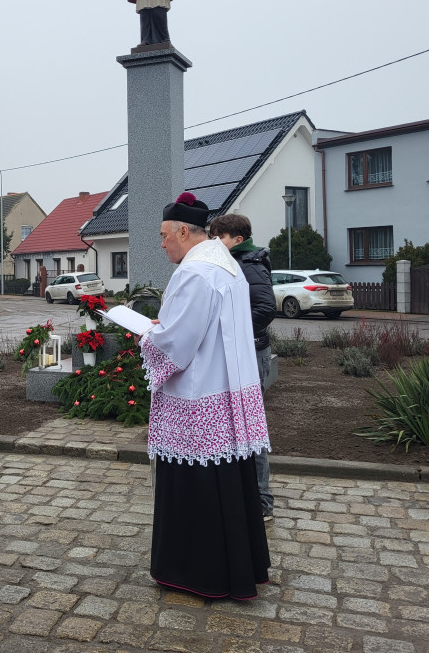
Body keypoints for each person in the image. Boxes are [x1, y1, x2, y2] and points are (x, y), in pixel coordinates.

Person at [139, 193, 271, 601]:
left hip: (198, 397)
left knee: (197, 486)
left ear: (182, 230)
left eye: (163, 236)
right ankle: (240, 566)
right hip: (226, 389)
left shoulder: (194, 272)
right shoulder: (225, 264)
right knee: (228, 482)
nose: (161, 244)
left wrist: (148, 335)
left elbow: (178, 343)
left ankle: (197, 572)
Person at [209, 213, 276, 521]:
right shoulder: (231, 262)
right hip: (238, 351)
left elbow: (265, 308)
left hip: (252, 352)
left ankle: (262, 501)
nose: (214, 242)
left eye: (219, 236)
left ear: (237, 239)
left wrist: (231, 331)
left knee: (250, 424)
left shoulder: (249, 264)